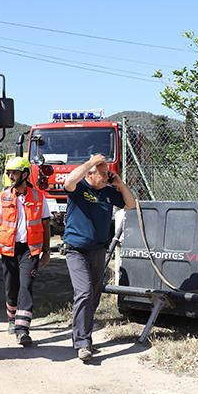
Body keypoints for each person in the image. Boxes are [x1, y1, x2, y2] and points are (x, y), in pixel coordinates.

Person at [62, 153, 136, 363]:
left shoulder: (108, 192)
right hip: (76, 250)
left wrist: (120, 185)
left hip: (98, 250)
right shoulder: (79, 189)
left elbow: (130, 205)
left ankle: (81, 332)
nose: (105, 177)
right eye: (102, 174)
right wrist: (89, 163)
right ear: (90, 174)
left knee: (93, 294)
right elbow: (68, 181)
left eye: (107, 174)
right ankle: (83, 342)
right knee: (84, 292)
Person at [0, 156, 51, 347]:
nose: (11, 177)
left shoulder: (38, 197)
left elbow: (46, 226)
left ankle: (22, 330)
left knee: (26, 285)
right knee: (10, 287)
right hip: (8, 250)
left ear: (24, 174)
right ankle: (12, 318)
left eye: (14, 173)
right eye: (8, 173)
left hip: (29, 250)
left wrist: (46, 251)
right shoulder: (3, 197)